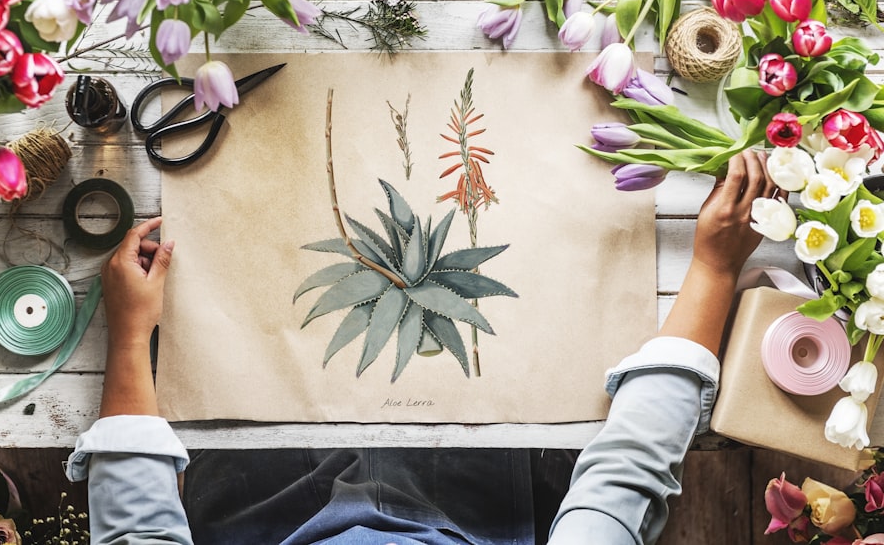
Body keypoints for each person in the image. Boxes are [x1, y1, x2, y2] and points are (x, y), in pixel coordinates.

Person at [65, 150, 778, 545]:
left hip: (264, 501)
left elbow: (135, 533)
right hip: (488, 498)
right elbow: (626, 477)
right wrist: (713, 270)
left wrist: (130, 336)